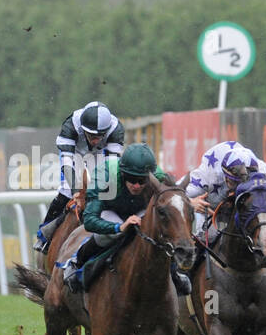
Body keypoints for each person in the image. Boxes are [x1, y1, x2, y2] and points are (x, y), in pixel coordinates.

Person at [61, 143, 191, 296]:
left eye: (142, 181)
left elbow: (174, 199)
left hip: (139, 211)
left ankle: (174, 273)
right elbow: (89, 220)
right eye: (131, 179)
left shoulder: (158, 175)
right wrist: (120, 227)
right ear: (122, 173)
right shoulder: (105, 174)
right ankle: (77, 262)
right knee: (113, 234)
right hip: (110, 210)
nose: (136, 185)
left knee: (160, 229)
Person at [186, 140, 266, 293]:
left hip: (246, 208)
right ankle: (189, 275)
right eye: (232, 182)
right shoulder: (206, 174)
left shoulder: (264, 175)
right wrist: (191, 203)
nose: (235, 188)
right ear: (224, 175)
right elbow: (176, 198)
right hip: (213, 208)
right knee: (206, 237)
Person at [35, 100, 124, 252]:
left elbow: (112, 168)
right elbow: (67, 164)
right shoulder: (71, 125)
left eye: (100, 136)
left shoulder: (115, 130)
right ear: (83, 130)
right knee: (66, 191)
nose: (96, 140)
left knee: (107, 190)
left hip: (100, 155)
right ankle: (44, 236)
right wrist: (77, 191)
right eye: (91, 136)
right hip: (74, 152)